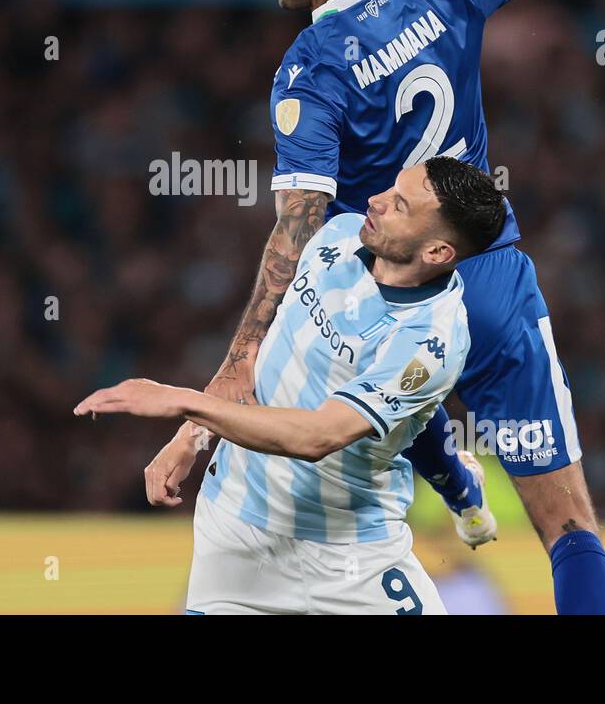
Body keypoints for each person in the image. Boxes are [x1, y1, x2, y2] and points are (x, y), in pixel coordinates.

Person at [143, 0, 605, 614]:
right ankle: (469, 495)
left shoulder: (310, 70)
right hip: (488, 275)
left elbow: (297, 227)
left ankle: (439, 498)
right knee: (568, 527)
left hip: (381, 290)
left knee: (354, 422)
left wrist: (232, 368)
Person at [77, 158, 505, 614]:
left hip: (351, 551)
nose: (375, 201)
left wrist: (183, 401)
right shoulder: (338, 235)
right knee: (397, 403)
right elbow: (269, 349)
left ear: (438, 252)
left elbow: (318, 436)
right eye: (389, 189)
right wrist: (193, 434)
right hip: (238, 526)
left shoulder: (431, 342)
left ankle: (459, 486)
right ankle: (460, 485)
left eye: (399, 205)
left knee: (400, 405)